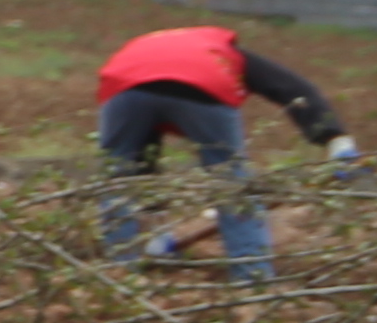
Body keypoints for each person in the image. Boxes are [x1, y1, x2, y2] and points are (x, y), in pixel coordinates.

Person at [93, 22, 356, 273]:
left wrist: (152, 228)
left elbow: (140, 165)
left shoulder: (144, 48)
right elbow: (295, 90)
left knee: (119, 178)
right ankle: (252, 276)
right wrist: (336, 140)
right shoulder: (227, 52)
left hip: (124, 89)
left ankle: (119, 270)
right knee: (232, 184)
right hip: (203, 81)